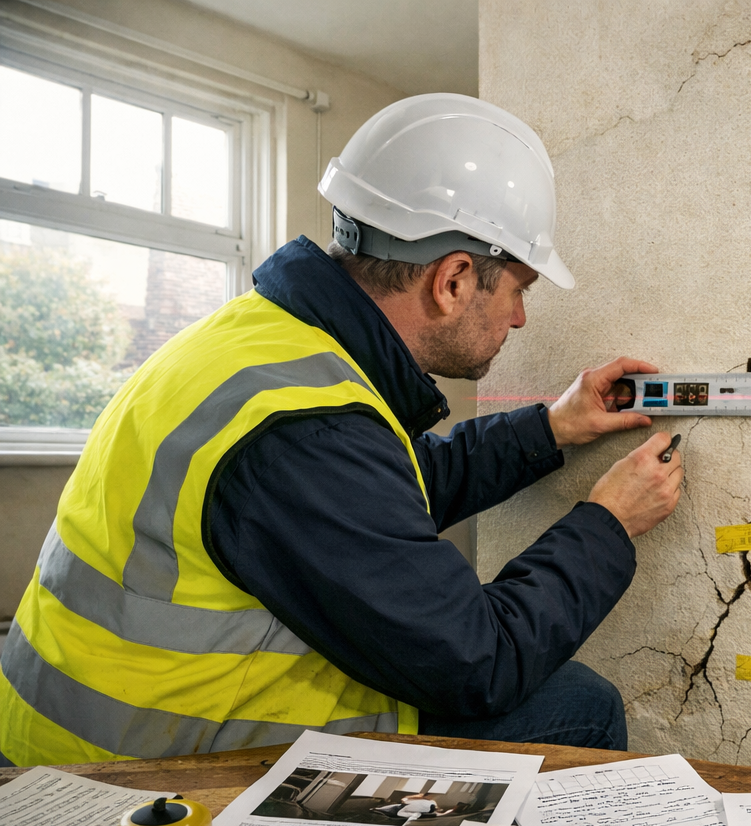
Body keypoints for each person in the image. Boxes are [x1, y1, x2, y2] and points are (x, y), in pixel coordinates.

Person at [0, 94, 684, 767]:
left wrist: (554, 427)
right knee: (579, 707)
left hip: (78, 727)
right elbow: (481, 662)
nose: (520, 320)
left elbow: (385, 492)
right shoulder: (305, 431)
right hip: (137, 783)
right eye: (520, 291)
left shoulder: (264, 345)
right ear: (452, 281)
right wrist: (609, 523)